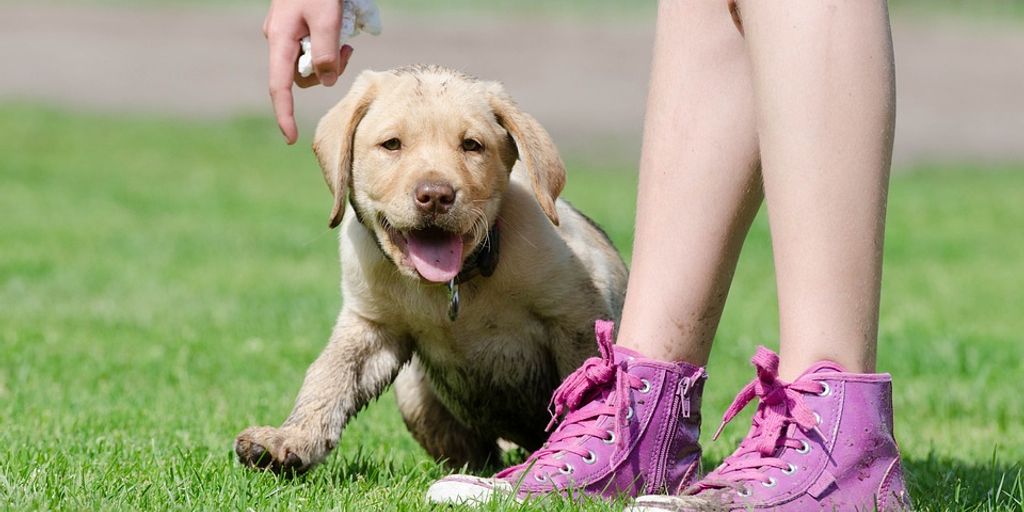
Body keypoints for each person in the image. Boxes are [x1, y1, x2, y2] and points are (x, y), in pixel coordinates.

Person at [263, 0, 911, 509]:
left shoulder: (532, 240)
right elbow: (362, 339)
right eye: (394, 148)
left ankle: (832, 434)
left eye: (468, 147)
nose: (433, 187)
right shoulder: (369, 244)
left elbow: (579, 308)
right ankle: (638, 425)